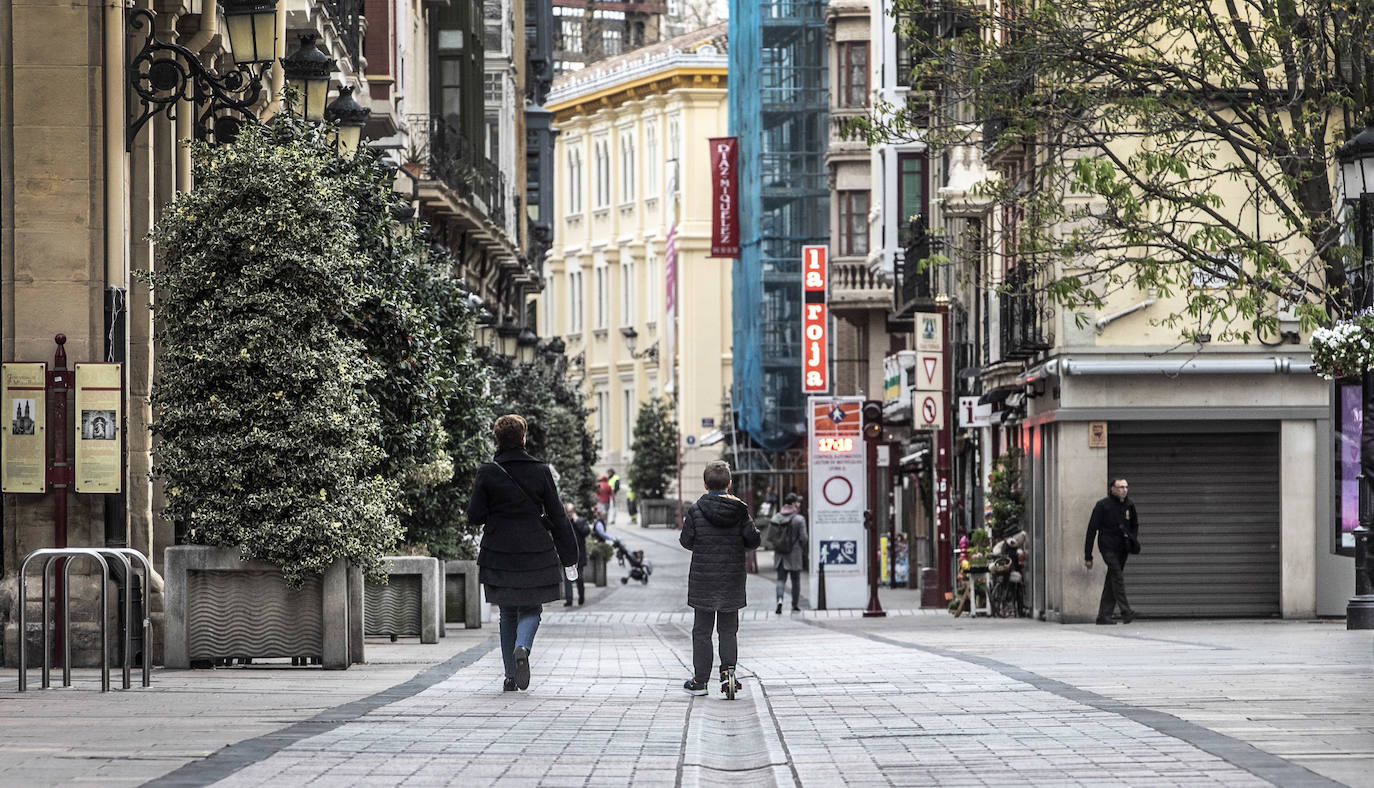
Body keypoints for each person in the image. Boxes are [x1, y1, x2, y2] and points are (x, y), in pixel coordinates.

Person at [467, 414, 580, 691]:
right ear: (524, 437)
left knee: (507, 613)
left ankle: (509, 676)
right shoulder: (540, 470)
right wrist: (570, 557)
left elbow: (475, 515)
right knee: (532, 607)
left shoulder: (488, 471)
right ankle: (523, 646)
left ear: (498, 439)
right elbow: (557, 515)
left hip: (499, 551)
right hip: (535, 550)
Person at [679, 460, 760, 697]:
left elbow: (686, 541)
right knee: (728, 630)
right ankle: (728, 675)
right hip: (732, 578)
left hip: (703, 580)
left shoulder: (695, 510)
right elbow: (753, 540)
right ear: (729, 484)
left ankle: (701, 681)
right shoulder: (740, 510)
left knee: (702, 631)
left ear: (705, 484)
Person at [1085, 477, 1139, 625]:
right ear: (1112, 489)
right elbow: (1091, 530)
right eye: (1121, 487)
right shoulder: (1103, 505)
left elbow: (1135, 524)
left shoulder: (1129, 504)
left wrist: (1132, 539)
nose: (1124, 490)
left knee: (1112, 580)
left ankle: (1103, 615)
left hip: (1123, 548)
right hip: (1107, 546)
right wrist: (1088, 555)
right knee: (1117, 575)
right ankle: (1125, 611)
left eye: (1126, 487)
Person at [769, 493, 808, 614]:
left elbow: (770, 537)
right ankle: (795, 605)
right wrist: (801, 548)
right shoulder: (799, 519)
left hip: (780, 555)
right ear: (793, 504)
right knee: (795, 580)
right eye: (798, 502)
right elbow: (804, 538)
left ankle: (779, 601)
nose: (799, 504)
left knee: (781, 580)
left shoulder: (776, 518)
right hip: (795, 554)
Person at [564, 502, 589, 607]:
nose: (569, 514)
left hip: (579, 554)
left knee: (580, 578)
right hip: (567, 554)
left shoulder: (580, 521)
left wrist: (577, 521)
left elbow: (586, 531)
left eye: (571, 511)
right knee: (567, 579)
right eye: (568, 512)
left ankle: (581, 597)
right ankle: (569, 599)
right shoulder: (564, 522)